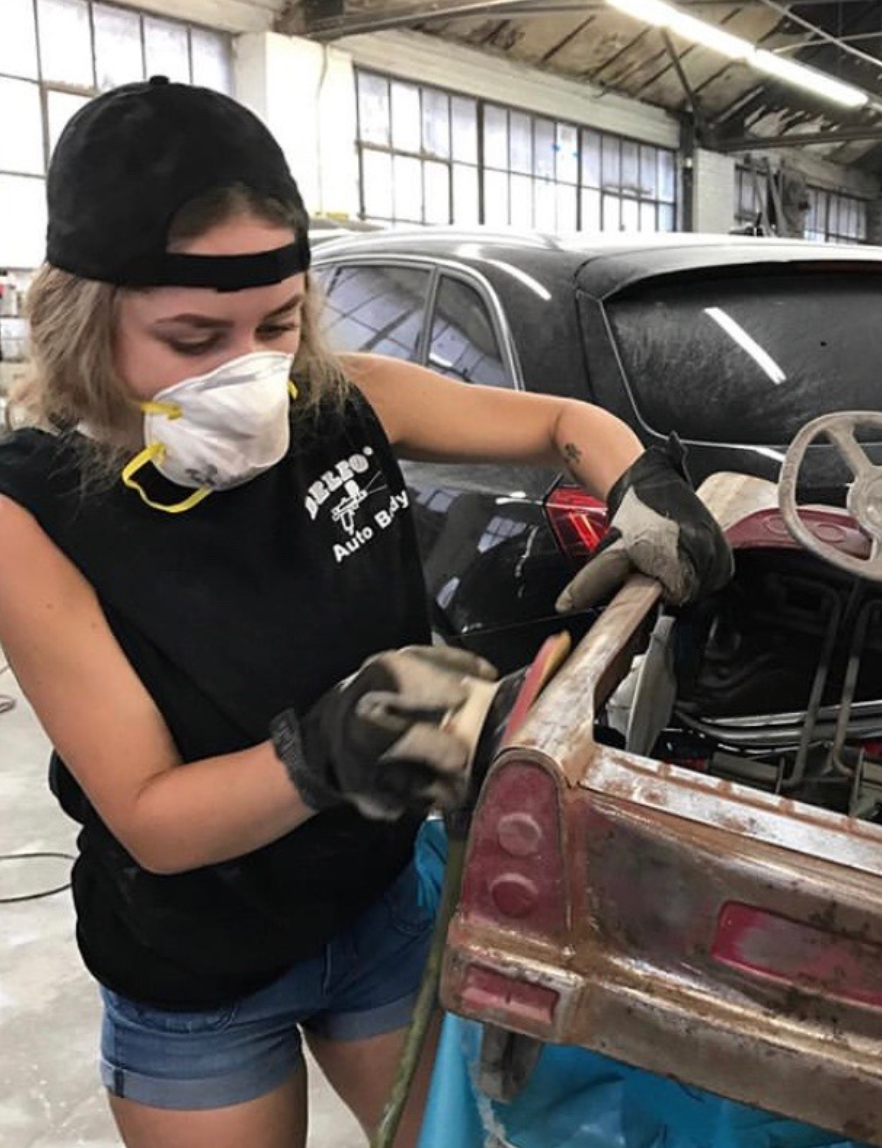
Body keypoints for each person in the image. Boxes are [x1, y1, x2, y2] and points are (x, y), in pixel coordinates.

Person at [0, 77, 732, 1148]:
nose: (251, 372)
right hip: (202, 965)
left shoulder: (339, 404)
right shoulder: (31, 515)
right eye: (194, 337)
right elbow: (154, 821)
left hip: (378, 908)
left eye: (278, 324)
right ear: (82, 320)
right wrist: (334, 747)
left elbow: (562, 421)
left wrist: (639, 483)